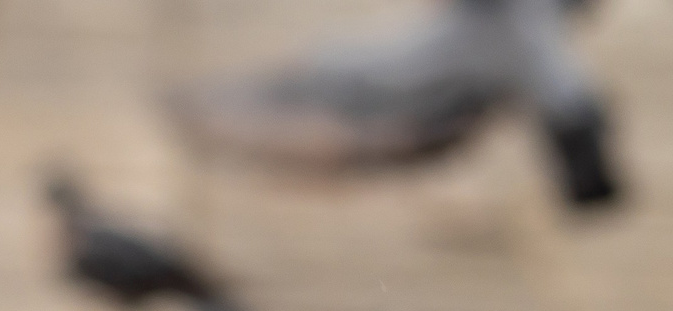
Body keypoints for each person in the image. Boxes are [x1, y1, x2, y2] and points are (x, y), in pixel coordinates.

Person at [166, 0, 620, 206]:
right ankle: (208, 114)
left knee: (318, 81)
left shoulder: (522, 37)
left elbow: (558, 87)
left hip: (402, 94)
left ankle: (211, 119)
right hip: (408, 77)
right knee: (316, 73)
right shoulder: (532, 38)